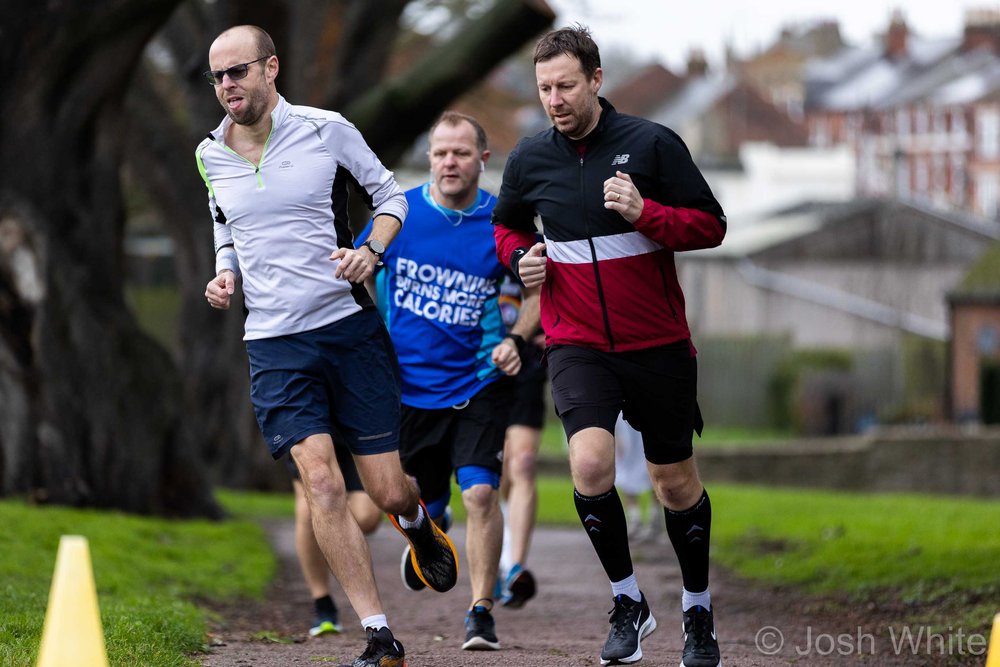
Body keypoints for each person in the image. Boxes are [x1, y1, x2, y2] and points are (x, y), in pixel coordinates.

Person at [198, 25, 458, 667]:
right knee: (320, 483)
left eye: (238, 72)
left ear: (271, 68)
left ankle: (418, 523)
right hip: (274, 345)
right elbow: (224, 226)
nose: (227, 86)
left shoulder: (324, 128)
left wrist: (370, 252)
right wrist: (224, 270)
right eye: (217, 77)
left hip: (347, 333)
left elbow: (391, 197)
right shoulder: (208, 153)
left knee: (388, 491)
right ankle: (378, 634)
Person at [491, 25, 727, 667]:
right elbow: (506, 227)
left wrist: (645, 211)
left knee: (672, 482)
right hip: (576, 341)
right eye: (544, 88)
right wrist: (522, 260)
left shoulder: (652, 144)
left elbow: (711, 225)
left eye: (566, 85)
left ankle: (698, 612)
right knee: (591, 466)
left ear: (596, 80)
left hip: (657, 343)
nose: (555, 99)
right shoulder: (530, 158)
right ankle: (628, 603)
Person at [357, 110, 540, 652]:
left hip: (480, 380)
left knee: (482, 492)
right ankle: (428, 529)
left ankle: (480, 612)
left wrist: (517, 341)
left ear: (483, 159)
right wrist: (378, 334)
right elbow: (361, 272)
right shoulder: (400, 214)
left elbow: (537, 294)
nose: (449, 162)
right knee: (409, 495)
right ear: (429, 157)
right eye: (440, 152)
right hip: (409, 389)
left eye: (461, 152)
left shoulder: (504, 223)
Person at [286, 453, 382, 637]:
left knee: (367, 516)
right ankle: (323, 603)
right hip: (309, 428)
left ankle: (424, 516)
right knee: (308, 510)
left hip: (353, 430)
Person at [496, 309, 545, 609]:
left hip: (528, 361)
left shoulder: (536, 258)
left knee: (523, 462)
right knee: (496, 472)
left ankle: (515, 567)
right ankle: (498, 555)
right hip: (486, 359)